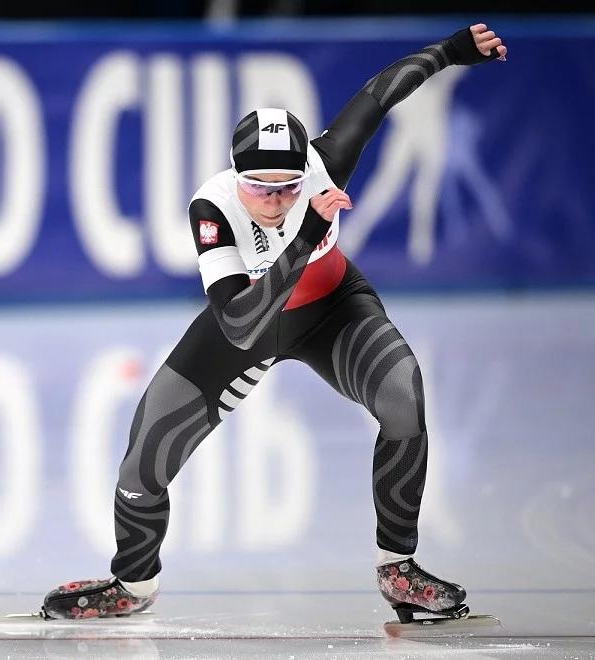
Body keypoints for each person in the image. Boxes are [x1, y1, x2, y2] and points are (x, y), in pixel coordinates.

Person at [41, 24, 507, 624]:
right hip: (250, 323)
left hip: (334, 309)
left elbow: (380, 93)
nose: (277, 199)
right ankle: (133, 583)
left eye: (288, 187)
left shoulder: (326, 163)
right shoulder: (213, 207)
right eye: (261, 188)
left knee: (403, 394)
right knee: (143, 462)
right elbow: (238, 325)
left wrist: (448, 52)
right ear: (237, 176)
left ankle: (398, 568)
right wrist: (308, 231)